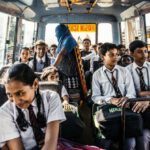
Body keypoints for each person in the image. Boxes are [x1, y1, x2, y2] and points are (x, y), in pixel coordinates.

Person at [0, 63, 66, 150]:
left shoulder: (51, 98)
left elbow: (50, 145)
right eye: (9, 95)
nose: (15, 102)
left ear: (35, 84)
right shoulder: (5, 112)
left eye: (20, 93)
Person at [92, 43, 140, 150]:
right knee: (107, 144)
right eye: (111, 55)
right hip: (108, 112)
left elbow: (131, 92)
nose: (115, 58)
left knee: (130, 144)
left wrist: (127, 98)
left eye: (116, 54)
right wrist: (110, 99)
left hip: (124, 109)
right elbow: (95, 97)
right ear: (103, 57)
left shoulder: (124, 71)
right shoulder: (97, 75)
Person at [127, 40, 150, 150]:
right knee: (140, 139)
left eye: (146, 51)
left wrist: (146, 98)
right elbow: (129, 93)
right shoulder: (125, 71)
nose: (144, 55)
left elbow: (137, 93)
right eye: (140, 52)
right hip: (135, 111)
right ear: (131, 53)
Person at [54, 24, 81, 102]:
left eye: (57, 31)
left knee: (71, 100)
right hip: (62, 72)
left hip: (69, 73)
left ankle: (73, 109)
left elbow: (61, 54)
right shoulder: (63, 40)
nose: (56, 34)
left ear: (62, 31)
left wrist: (53, 66)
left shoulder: (69, 39)